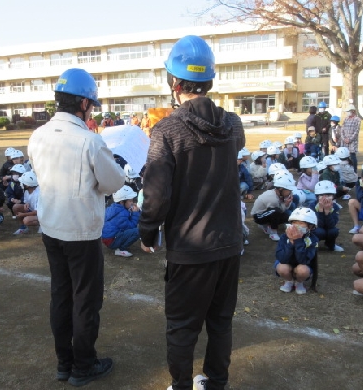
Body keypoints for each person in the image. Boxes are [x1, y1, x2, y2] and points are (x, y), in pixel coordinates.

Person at [137, 35, 245, 390]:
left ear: (174, 83)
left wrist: (147, 231)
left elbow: (155, 191)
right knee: (220, 320)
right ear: (209, 80)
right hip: (229, 241)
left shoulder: (167, 129)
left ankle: (182, 385)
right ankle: (216, 382)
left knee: (182, 325)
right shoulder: (233, 125)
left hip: (190, 245)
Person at [27, 68, 124, 387]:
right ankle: (83, 365)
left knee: (61, 294)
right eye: (92, 104)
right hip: (81, 231)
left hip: (51, 227)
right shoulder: (89, 141)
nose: (92, 110)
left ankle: (64, 362)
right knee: (86, 299)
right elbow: (113, 183)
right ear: (83, 102)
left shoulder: (38, 135)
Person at [274, 207, 319, 294]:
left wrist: (298, 241)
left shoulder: (312, 240)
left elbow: (303, 260)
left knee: (303, 270)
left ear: (310, 227)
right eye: (294, 222)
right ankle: (289, 281)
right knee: (282, 267)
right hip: (287, 264)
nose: (296, 225)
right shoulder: (284, 237)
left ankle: (299, 282)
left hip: (303, 265)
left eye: (301, 223)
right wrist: (291, 242)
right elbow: (282, 259)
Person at [252, 171, 296, 241]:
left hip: (268, 212)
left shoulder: (279, 193)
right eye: (289, 190)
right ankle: (273, 232)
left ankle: (267, 225)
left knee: (287, 216)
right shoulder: (272, 198)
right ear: (281, 189)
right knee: (276, 212)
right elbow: (278, 210)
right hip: (258, 216)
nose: (290, 192)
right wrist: (285, 204)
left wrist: (286, 203)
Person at [101, 185, 141, 257]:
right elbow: (131, 226)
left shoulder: (114, 208)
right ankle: (121, 249)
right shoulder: (121, 214)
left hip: (107, 238)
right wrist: (135, 214)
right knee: (139, 231)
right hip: (112, 240)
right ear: (122, 202)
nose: (132, 202)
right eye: (130, 201)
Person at [312, 180, 343, 252]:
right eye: (322, 195)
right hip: (316, 229)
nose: (325, 198)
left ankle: (331, 245)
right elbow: (317, 225)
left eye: (329, 195)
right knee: (319, 231)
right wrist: (320, 210)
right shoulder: (312, 206)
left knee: (334, 231)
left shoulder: (334, 207)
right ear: (317, 196)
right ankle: (313, 244)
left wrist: (327, 212)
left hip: (328, 229)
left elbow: (332, 225)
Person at [340, 104, 361, 171]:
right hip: (344, 141)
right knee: (344, 155)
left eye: (349, 111)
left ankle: (354, 170)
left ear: (353, 111)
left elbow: (356, 131)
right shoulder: (345, 119)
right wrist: (343, 138)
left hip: (352, 141)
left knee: (352, 156)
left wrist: (350, 139)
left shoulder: (357, 119)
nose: (347, 113)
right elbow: (342, 129)